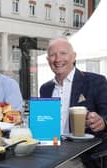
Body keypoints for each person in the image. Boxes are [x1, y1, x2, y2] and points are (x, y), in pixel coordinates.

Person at [40, 38, 107, 168]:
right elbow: (45, 128)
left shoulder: (95, 81)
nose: (58, 59)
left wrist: (103, 122)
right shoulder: (45, 89)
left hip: (84, 157)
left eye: (63, 53)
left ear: (73, 57)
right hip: (50, 152)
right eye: (53, 55)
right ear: (48, 60)